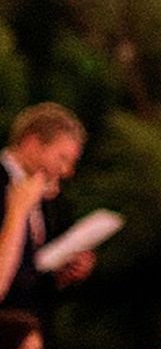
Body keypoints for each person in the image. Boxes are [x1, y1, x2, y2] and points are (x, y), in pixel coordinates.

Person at [0, 104, 95, 319]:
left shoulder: (46, 194)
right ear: (31, 143)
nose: (66, 171)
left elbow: (28, 271)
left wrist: (60, 276)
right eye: (62, 158)